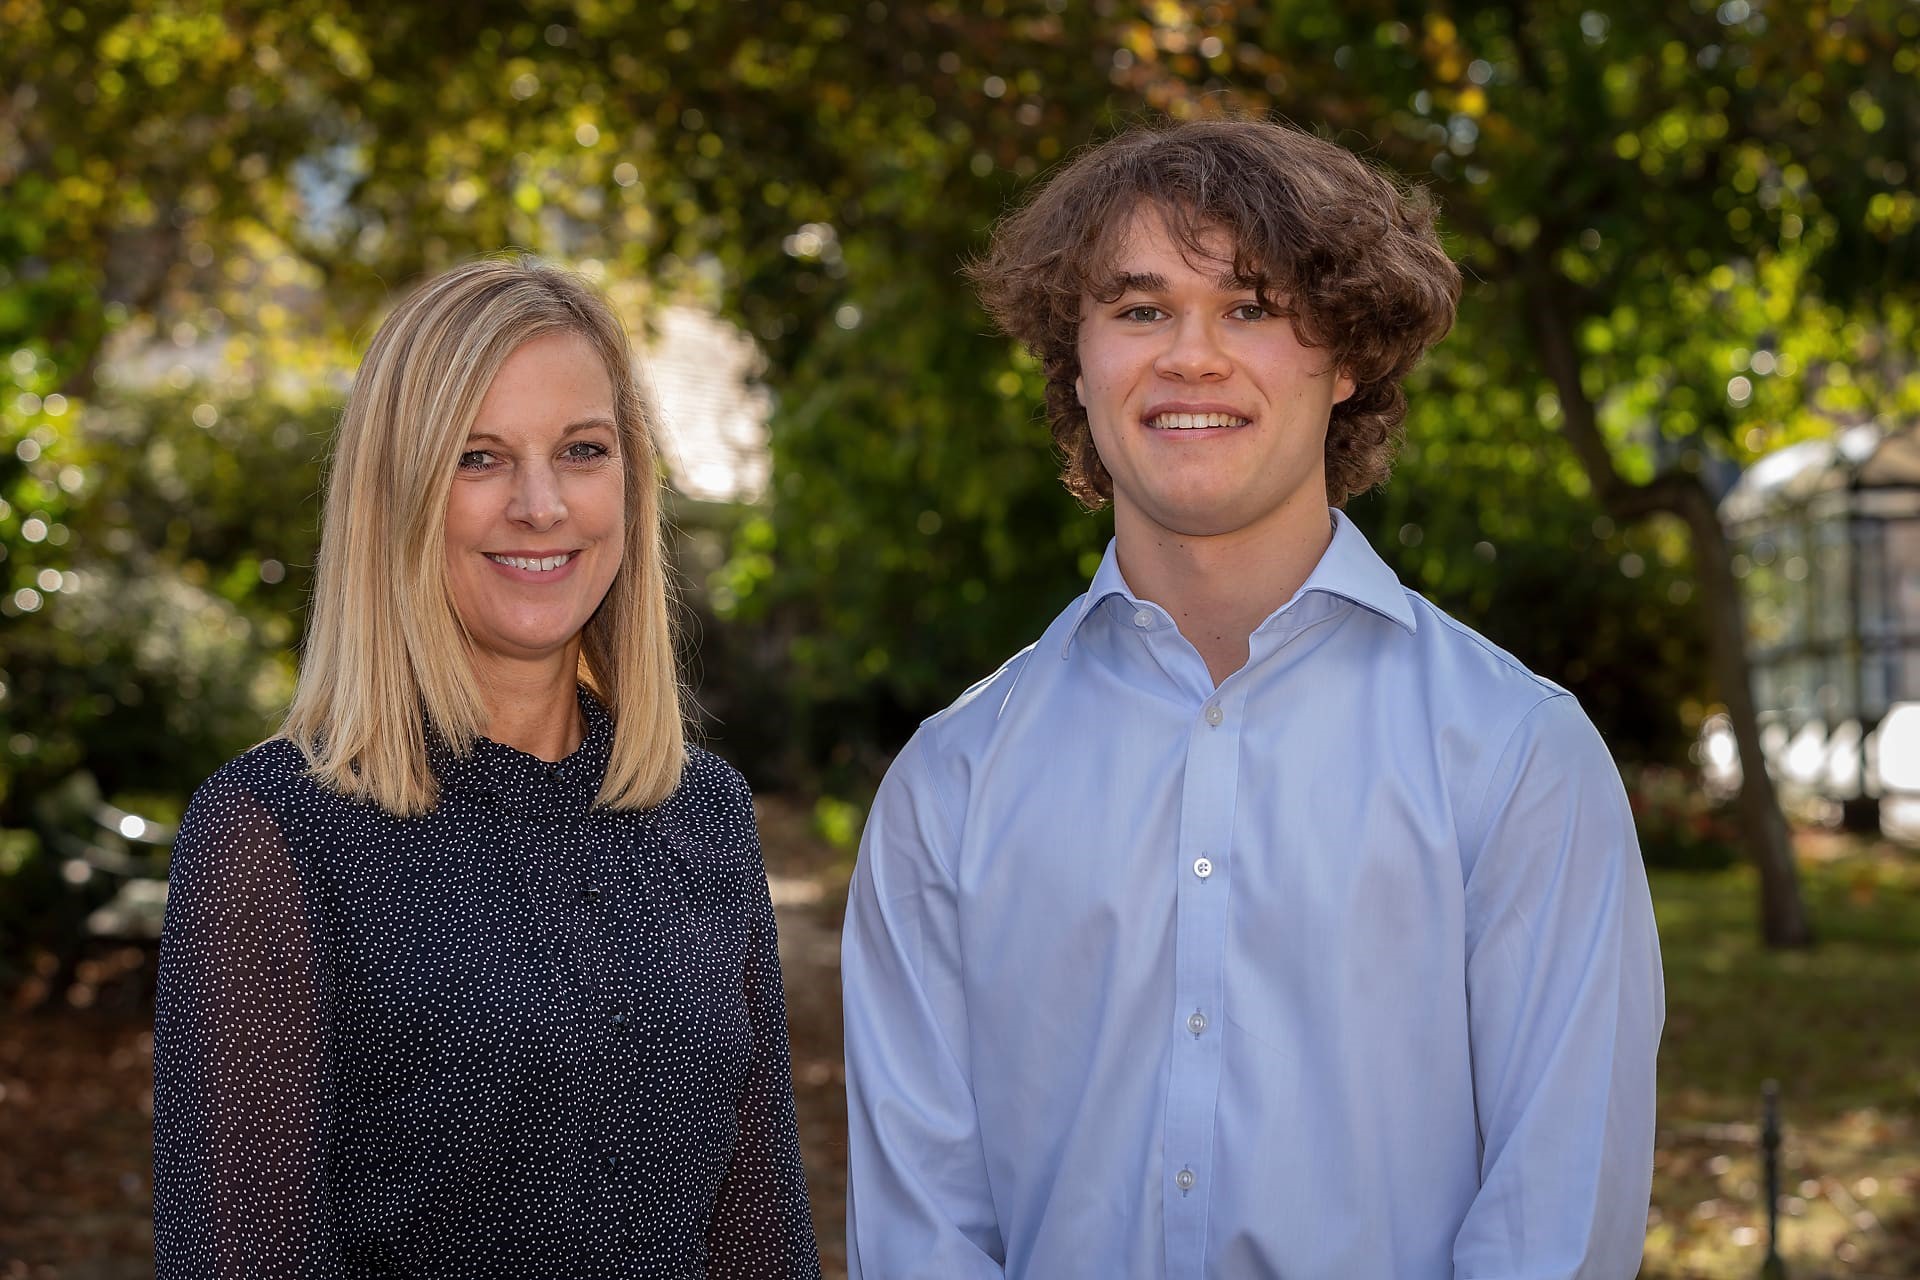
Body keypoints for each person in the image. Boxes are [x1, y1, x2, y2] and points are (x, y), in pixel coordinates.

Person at [841, 118, 1664, 1278]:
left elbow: (1554, 1222)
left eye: (1254, 307)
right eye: (1139, 309)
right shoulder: (951, 780)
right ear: (1075, 361)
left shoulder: (1518, 755)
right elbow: (922, 1232)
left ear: (1350, 358)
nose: (1191, 355)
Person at [153, 256, 821, 1278]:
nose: (541, 504)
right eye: (480, 457)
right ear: (398, 493)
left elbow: (758, 1235)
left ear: (631, 483)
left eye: (583, 449)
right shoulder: (276, 832)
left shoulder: (706, 814)